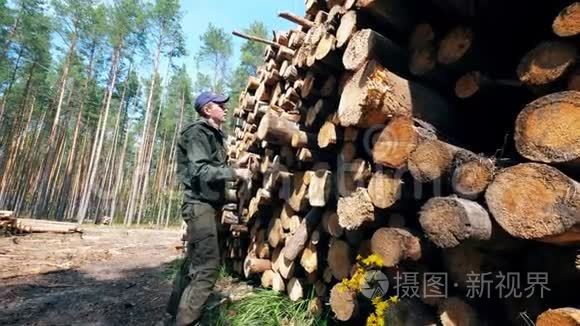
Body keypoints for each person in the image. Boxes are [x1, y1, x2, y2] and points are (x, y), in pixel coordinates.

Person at [165, 91, 252, 326]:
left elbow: (211, 166)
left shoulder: (212, 135)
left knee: (194, 263)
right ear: (207, 110)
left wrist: (234, 164)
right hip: (199, 206)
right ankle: (185, 322)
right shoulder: (197, 133)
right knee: (207, 268)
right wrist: (235, 173)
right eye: (220, 105)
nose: (225, 107)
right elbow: (200, 171)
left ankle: (173, 314)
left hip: (207, 206)